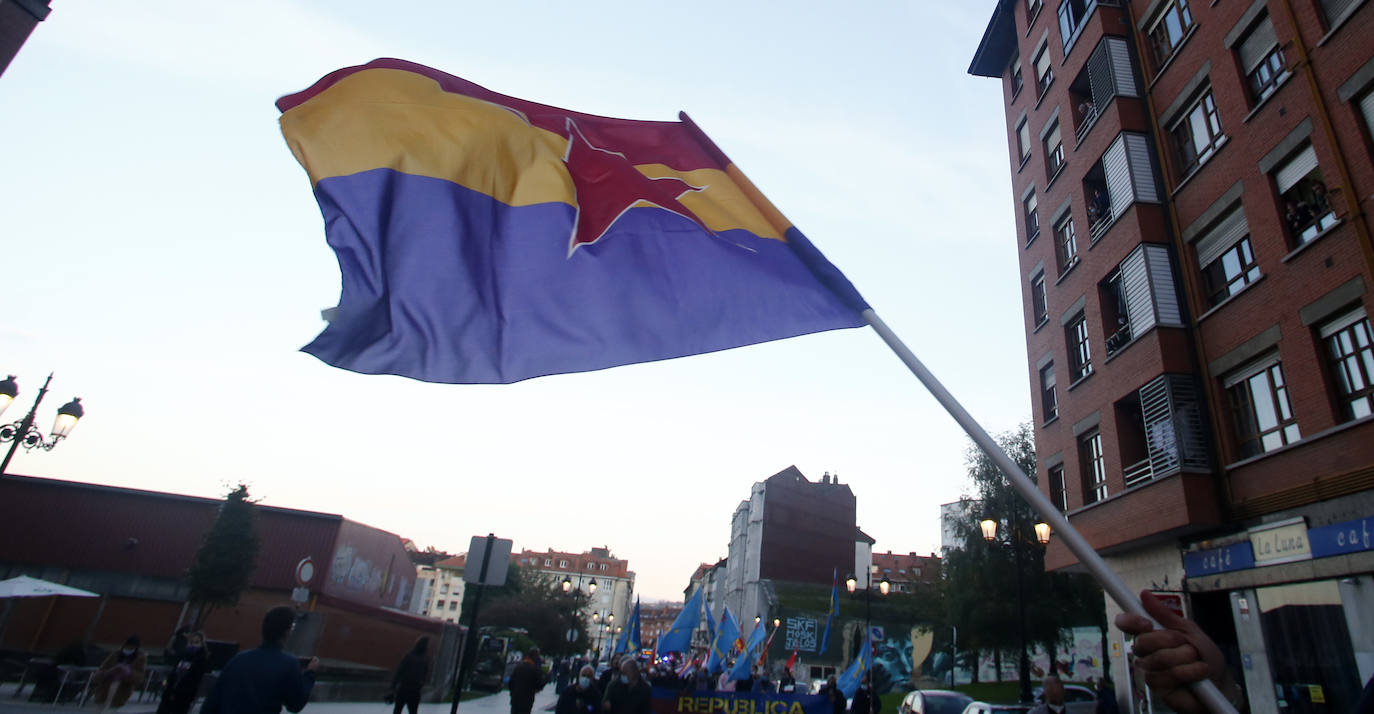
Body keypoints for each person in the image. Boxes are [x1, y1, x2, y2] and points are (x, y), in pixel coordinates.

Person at [201, 606, 318, 714]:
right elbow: (295, 705)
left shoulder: (238, 659)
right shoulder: (289, 664)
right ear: (287, 632)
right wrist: (309, 674)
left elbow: (211, 703)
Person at [157, 630, 210, 714]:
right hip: (169, 694)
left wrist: (181, 692)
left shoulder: (201, 660)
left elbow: (195, 680)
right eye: (191, 642)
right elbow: (173, 673)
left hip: (183, 697)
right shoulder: (182, 656)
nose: (193, 644)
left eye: (196, 642)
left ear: (202, 644)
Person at [93, 635, 147, 712]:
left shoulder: (140, 658)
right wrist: (109, 672)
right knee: (100, 710)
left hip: (121, 692)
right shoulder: (115, 654)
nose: (128, 649)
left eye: (131, 648)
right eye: (128, 647)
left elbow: (139, 678)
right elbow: (98, 674)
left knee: (111, 710)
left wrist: (128, 673)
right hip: (104, 690)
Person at [389, 637, 431, 714]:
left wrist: (393, 687)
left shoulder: (409, 656)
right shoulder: (425, 658)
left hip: (404, 688)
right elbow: (425, 673)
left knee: (398, 709)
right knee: (412, 711)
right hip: (414, 690)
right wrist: (421, 683)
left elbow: (399, 671)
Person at [508, 648, 546, 714]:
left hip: (515, 698)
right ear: (535, 657)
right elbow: (539, 685)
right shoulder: (535, 669)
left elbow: (511, 683)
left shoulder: (518, 667)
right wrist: (546, 679)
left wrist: (512, 693)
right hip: (527, 700)